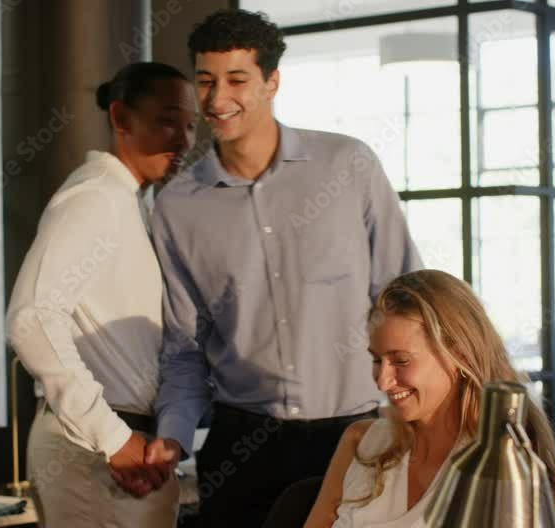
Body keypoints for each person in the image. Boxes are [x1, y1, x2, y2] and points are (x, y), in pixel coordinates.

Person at [140, 9, 423, 527]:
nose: (217, 99)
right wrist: (173, 434)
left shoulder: (349, 166)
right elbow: (183, 347)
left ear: (272, 81)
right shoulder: (178, 205)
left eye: (236, 80)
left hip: (357, 435)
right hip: (240, 445)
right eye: (205, 81)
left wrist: (422, 412)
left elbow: (405, 299)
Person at [5, 62, 196, 528]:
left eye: (191, 126)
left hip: (125, 444)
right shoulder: (97, 196)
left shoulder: (132, 203)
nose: (183, 140)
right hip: (93, 449)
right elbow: (31, 318)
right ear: (121, 118)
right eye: (168, 121)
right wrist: (112, 437)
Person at [303, 270, 555, 528]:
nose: (382, 381)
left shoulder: (503, 463)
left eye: (401, 361)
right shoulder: (361, 442)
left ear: (458, 354)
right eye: (376, 360)